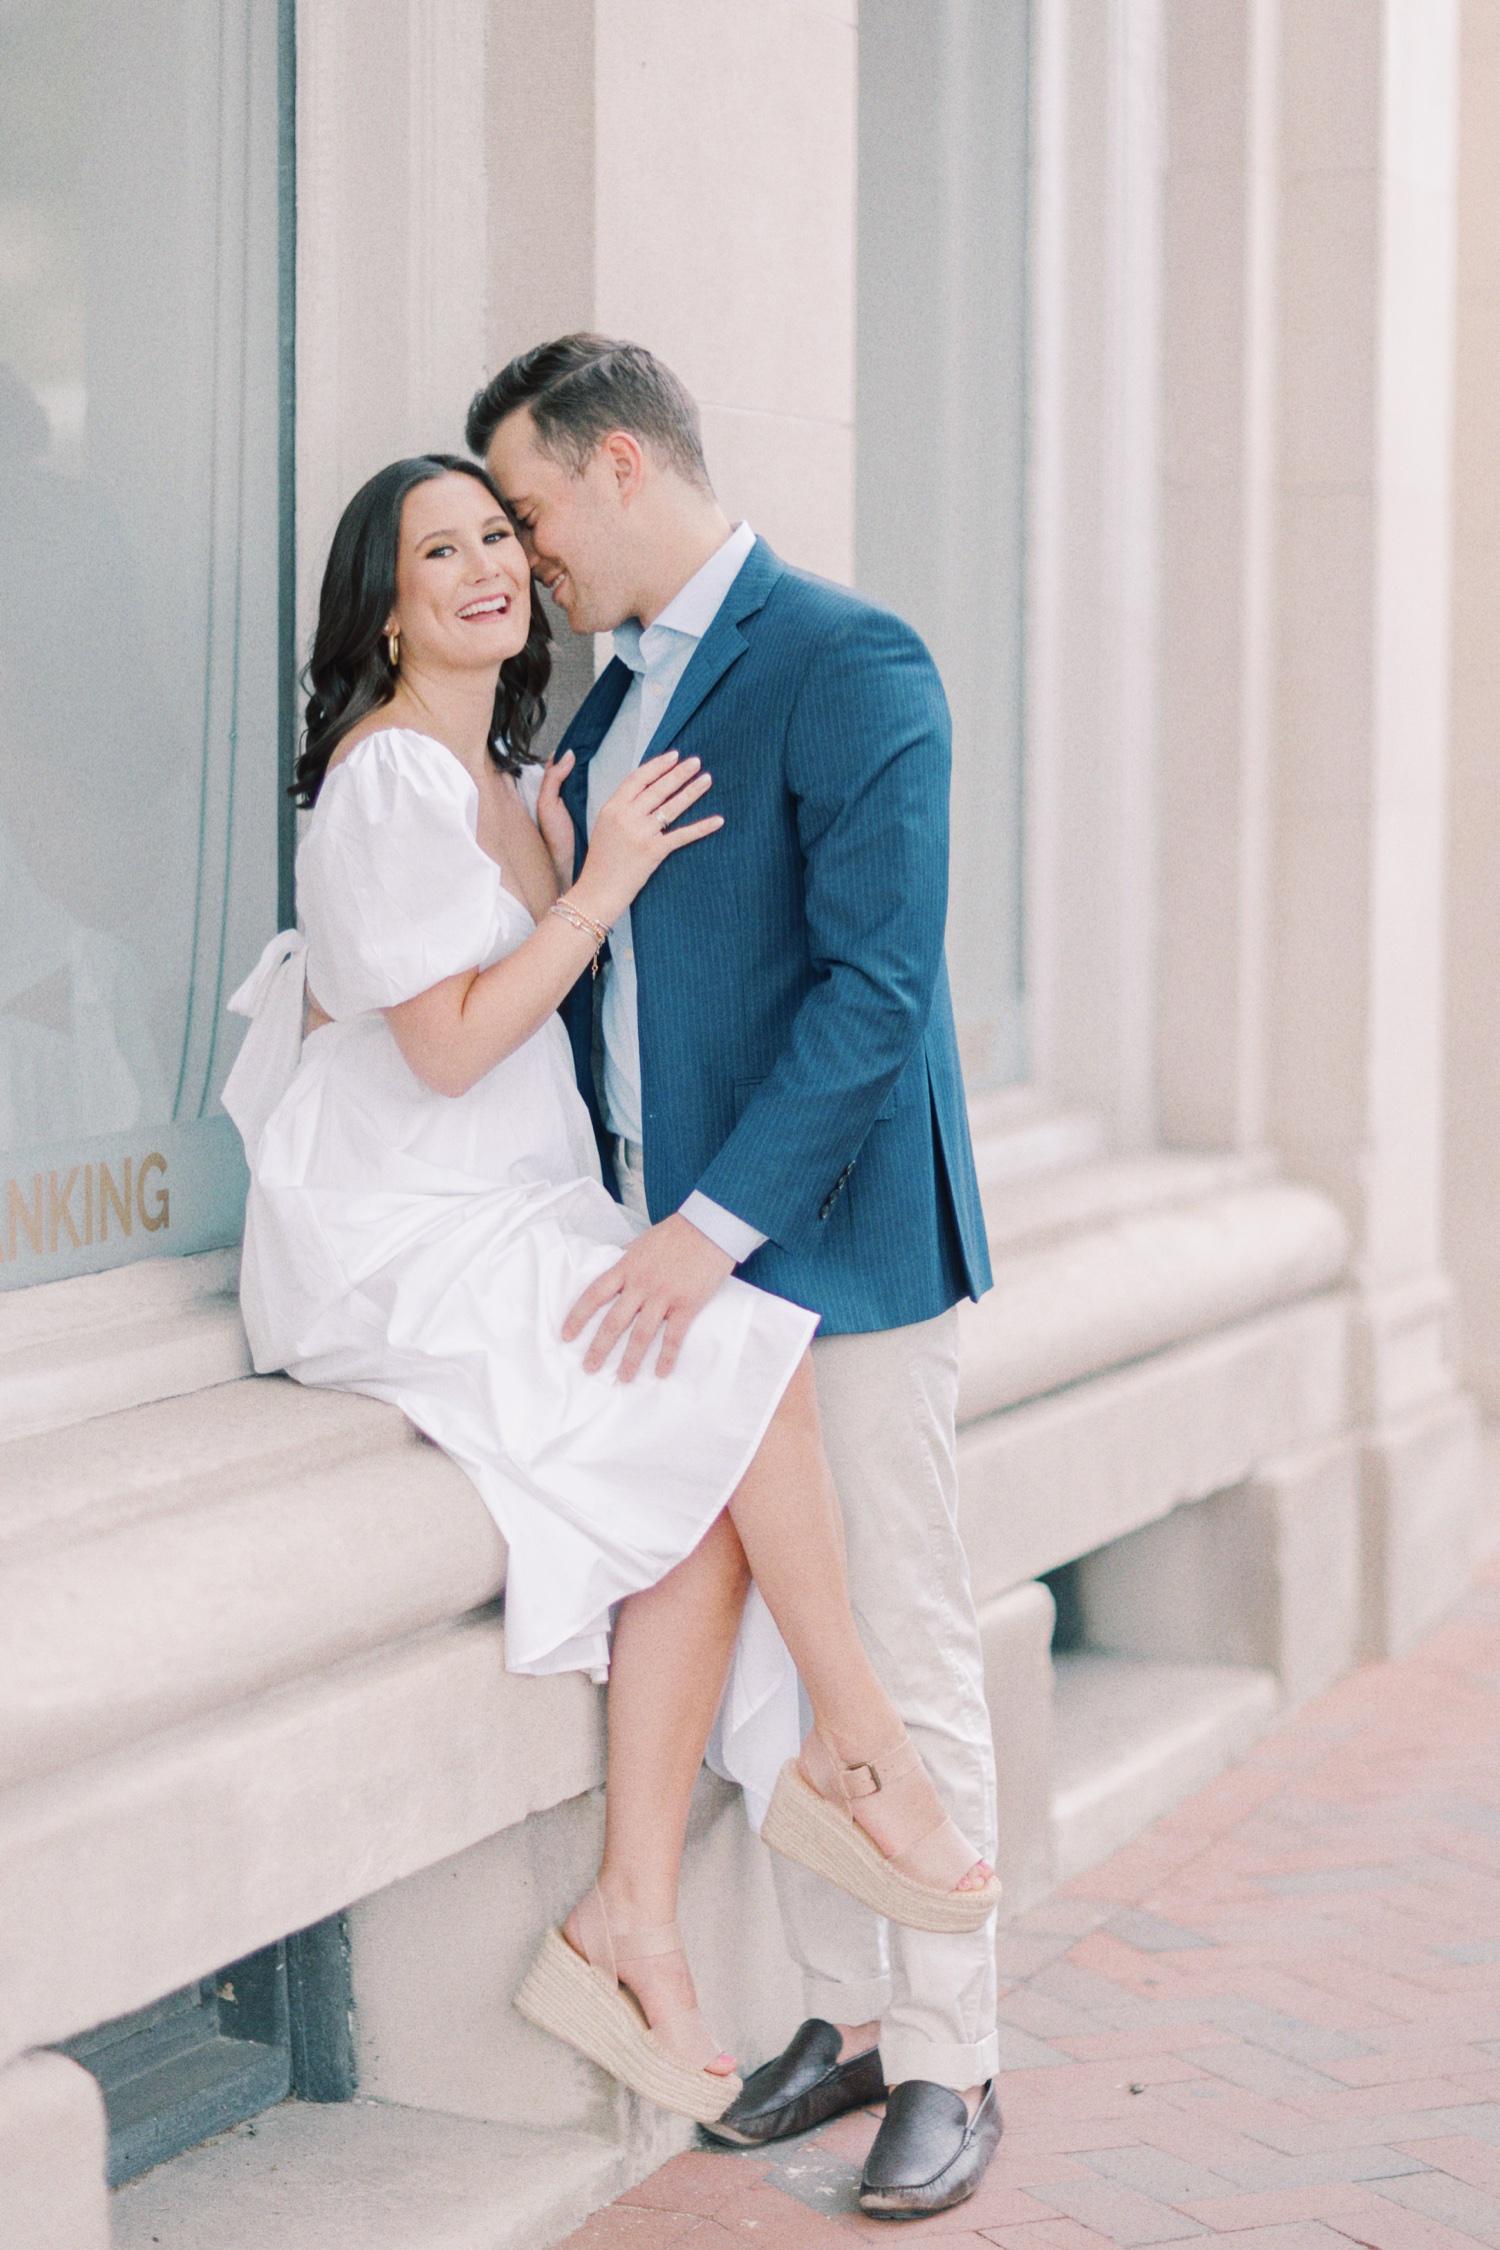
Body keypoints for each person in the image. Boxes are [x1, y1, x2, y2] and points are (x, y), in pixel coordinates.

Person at [221, 452, 996, 2147]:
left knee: (708, 1449)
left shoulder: (518, 770)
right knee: (728, 1364)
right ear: (384, 600)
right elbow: (441, 1043)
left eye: (503, 531)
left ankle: (630, 1909)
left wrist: (574, 855)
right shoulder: (389, 784)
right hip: (403, 1222)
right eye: (445, 547)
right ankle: (861, 1751)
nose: (496, 563)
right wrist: (598, 885)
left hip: (512, 1199)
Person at [470, 337, 1002, 2219]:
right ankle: (848, 2021)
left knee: (896, 1640)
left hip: (831, 1250)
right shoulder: (611, 696)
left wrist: (713, 1227)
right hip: (674, 1273)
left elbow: (879, 992)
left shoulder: (854, 659)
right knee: (782, 1651)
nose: (524, 559)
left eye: (528, 512)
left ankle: (951, 2053)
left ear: (622, 467)